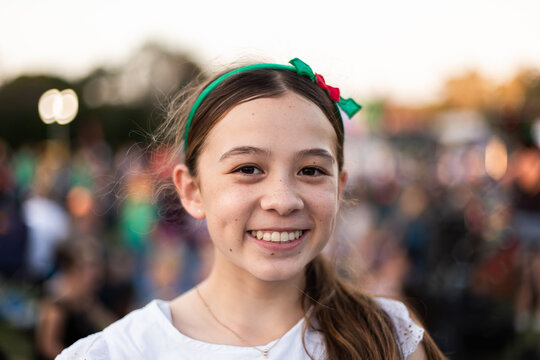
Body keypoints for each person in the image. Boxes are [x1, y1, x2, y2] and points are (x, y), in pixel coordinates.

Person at [57, 58, 446, 359]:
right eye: (248, 169)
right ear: (192, 191)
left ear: (339, 187)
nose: (282, 199)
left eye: (311, 170)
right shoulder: (120, 352)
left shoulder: (390, 340)